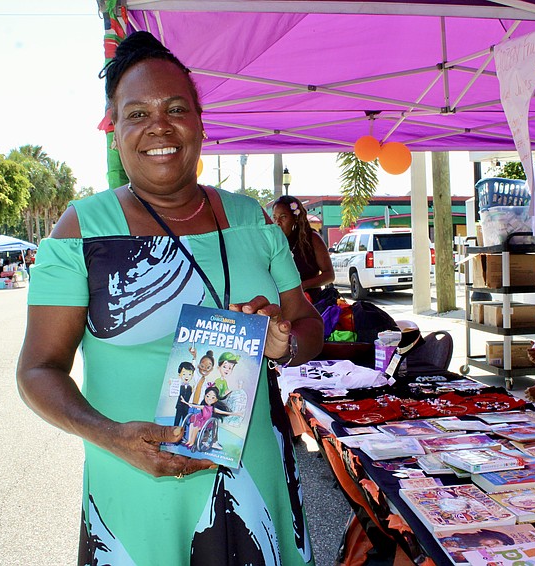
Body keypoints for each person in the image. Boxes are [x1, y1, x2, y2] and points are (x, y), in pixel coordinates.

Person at [16, 31, 322, 565]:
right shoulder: (81, 230)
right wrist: (110, 436)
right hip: (136, 482)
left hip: (258, 483)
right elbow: (38, 369)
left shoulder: (252, 219)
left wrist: (284, 345)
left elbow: (308, 323)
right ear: (115, 132)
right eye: (137, 114)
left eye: (176, 108)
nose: (159, 126)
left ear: (201, 123)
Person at [271, 195, 334, 303]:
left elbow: (329, 275)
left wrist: (302, 286)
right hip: (280, 303)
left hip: (310, 303)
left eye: (283, 217)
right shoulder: (273, 242)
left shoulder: (312, 239)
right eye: (275, 218)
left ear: (295, 218)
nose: (278, 222)